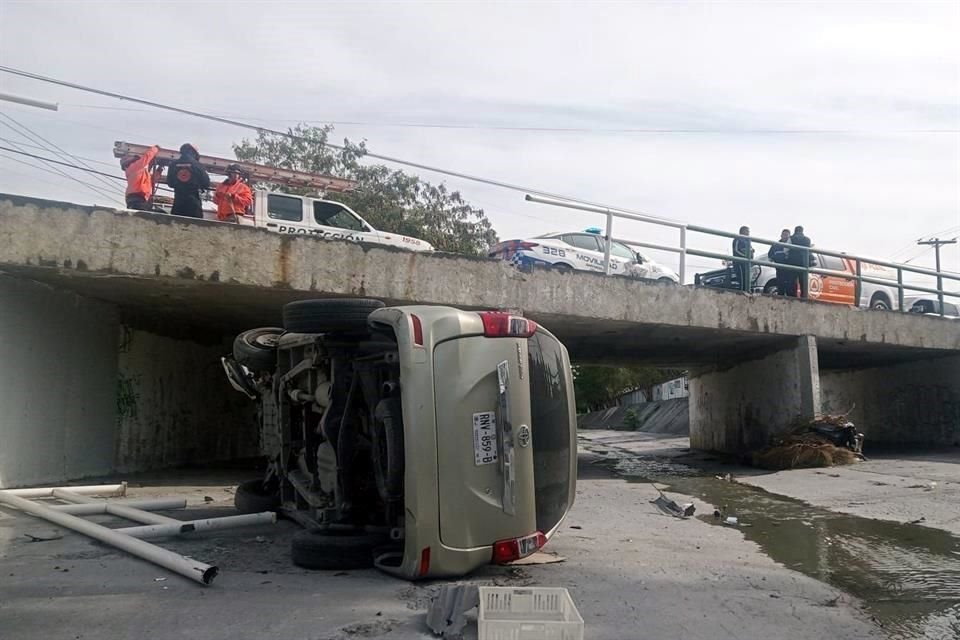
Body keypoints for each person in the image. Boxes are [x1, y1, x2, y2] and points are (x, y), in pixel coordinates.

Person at [165, 143, 210, 218]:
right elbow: (206, 183)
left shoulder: (173, 165)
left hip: (178, 204)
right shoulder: (198, 165)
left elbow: (170, 183)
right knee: (194, 226)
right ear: (194, 153)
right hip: (193, 205)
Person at [120, 145, 160, 211]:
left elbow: (152, 180)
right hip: (137, 198)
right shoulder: (133, 167)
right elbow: (146, 158)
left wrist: (159, 169)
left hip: (138, 198)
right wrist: (155, 149)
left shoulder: (138, 171)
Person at [788, 225, 812, 298]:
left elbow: (787, 248)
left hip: (792, 262)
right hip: (803, 263)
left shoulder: (791, 238)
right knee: (803, 282)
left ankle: (793, 297)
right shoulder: (807, 240)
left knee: (793, 282)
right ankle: (804, 297)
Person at [767, 229, 791, 295]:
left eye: (786, 235)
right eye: (784, 235)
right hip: (779, 269)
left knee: (789, 289)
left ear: (789, 236)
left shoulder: (792, 246)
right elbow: (770, 256)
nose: (785, 236)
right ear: (781, 235)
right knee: (780, 287)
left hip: (789, 270)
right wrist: (775, 260)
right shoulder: (776, 245)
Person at [732, 225, 754, 292]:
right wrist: (744, 257)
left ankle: (747, 291)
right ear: (742, 231)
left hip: (747, 264)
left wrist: (752, 252)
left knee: (747, 279)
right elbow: (736, 250)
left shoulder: (748, 240)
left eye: (748, 231)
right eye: (747, 231)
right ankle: (742, 293)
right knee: (741, 279)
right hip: (739, 263)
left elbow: (751, 250)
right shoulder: (737, 239)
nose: (748, 232)